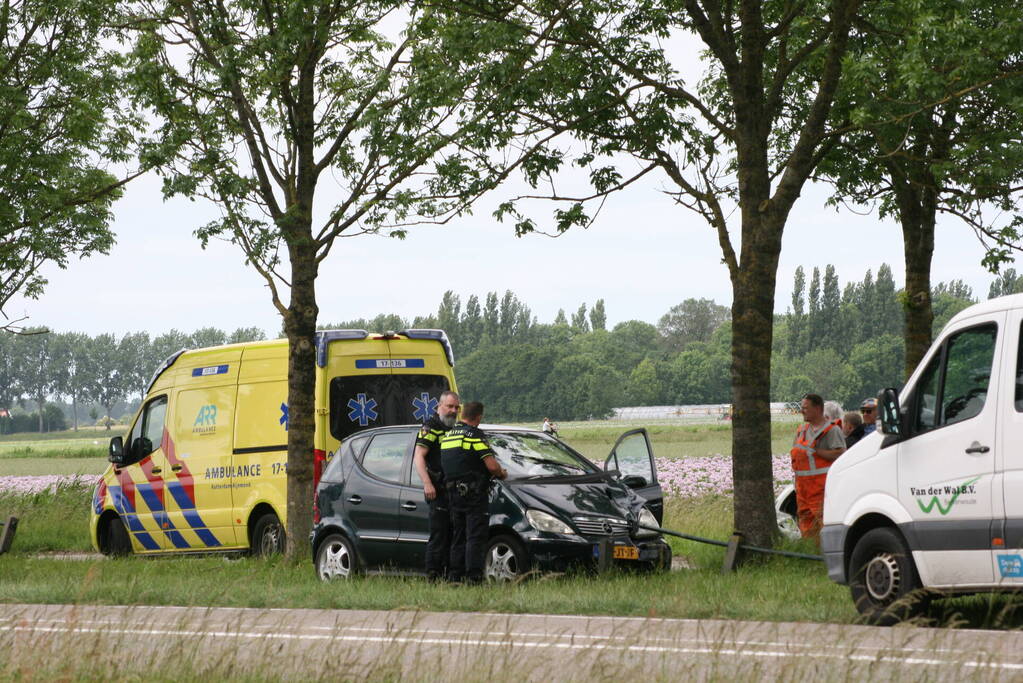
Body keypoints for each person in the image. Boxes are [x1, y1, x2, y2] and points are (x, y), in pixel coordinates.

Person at [440, 401, 507, 584]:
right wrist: (502, 473)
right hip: (474, 495)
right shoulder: (475, 436)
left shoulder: (448, 436)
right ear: (478, 417)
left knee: (458, 536)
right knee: (475, 537)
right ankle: (473, 578)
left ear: (462, 415)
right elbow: (492, 466)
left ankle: (455, 577)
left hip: (453, 494)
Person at [412, 390, 460, 581]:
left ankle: (450, 575)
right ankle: (433, 577)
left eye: (456, 407)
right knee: (439, 536)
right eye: (449, 406)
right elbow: (419, 456)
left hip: (453, 490)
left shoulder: (453, 428)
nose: (453, 411)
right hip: (437, 490)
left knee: (453, 535)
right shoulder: (431, 427)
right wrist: (427, 483)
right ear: (439, 406)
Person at [791, 393, 846, 540]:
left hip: (821, 489)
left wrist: (818, 452)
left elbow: (840, 454)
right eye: (802, 408)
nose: (802, 411)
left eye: (806, 408)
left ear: (817, 408)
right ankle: (810, 551)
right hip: (802, 489)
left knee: (823, 521)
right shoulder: (801, 431)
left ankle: (824, 553)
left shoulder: (832, 430)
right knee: (805, 522)